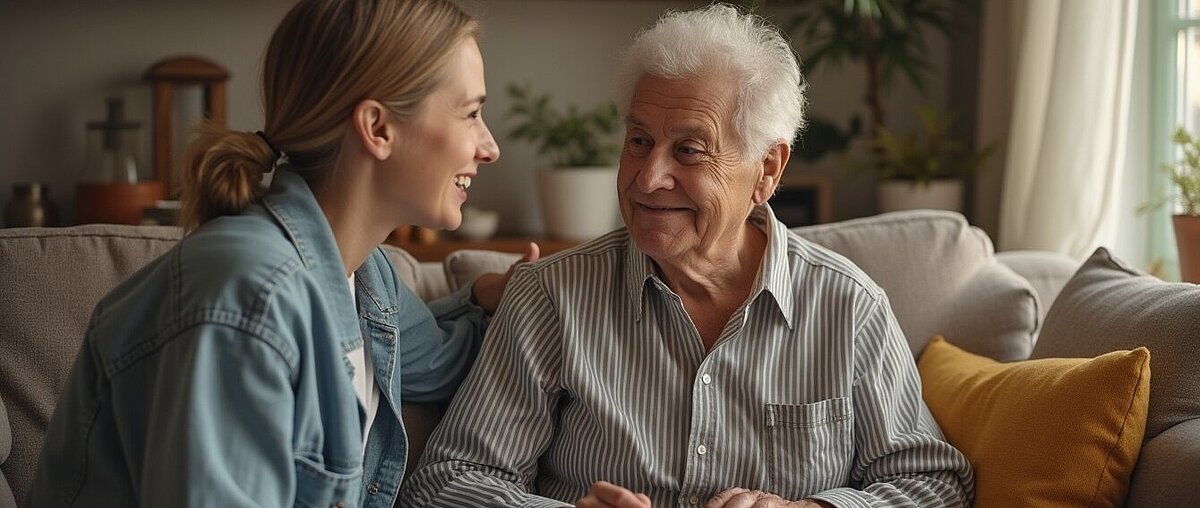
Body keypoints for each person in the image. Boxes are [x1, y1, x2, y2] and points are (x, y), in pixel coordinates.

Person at [400, 4, 973, 508]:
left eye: (689, 151)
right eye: (639, 141)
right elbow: (448, 481)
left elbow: (933, 484)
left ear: (767, 170)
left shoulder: (848, 306)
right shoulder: (551, 295)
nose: (649, 178)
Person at [25, 1, 536, 506]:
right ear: (378, 128)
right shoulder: (248, 297)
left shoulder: (366, 276)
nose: (489, 147)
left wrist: (503, 299)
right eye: (471, 113)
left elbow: (441, 361)